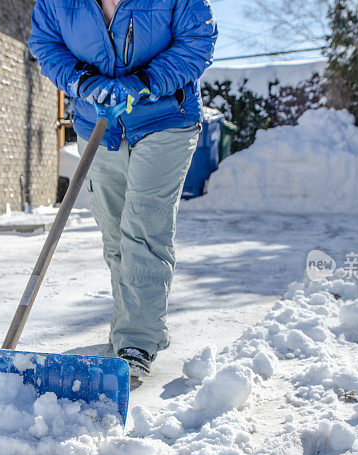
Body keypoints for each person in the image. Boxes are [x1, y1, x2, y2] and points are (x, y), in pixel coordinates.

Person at [29, 0, 217, 377]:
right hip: (97, 121)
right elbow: (46, 43)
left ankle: (138, 339)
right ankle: (126, 327)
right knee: (115, 232)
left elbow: (197, 42)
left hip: (164, 118)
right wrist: (82, 82)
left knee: (143, 227)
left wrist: (144, 83)